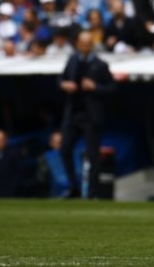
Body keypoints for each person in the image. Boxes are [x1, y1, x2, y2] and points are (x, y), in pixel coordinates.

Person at [59, 31, 116, 198]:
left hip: (91, 117)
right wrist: (64, 85)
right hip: (73, 114)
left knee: (93, 155)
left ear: (92, 45)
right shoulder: (72, 61)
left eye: (88, 44)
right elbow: (60, 79)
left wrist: (95, 87)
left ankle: (92, 192)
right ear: (78, 44)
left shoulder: (100, 65)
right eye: (82, 44)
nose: (84, 47)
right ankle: (73, 187)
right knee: (64, 149)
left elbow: (113, 88)